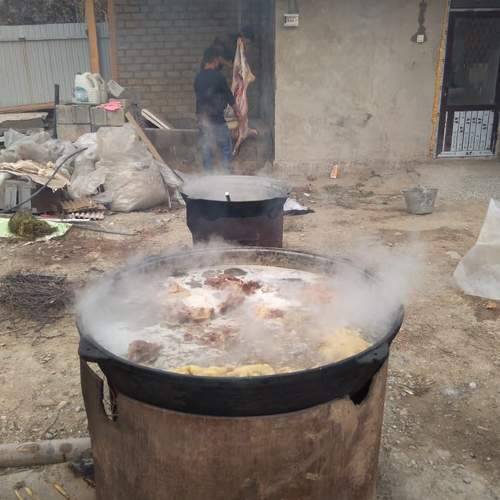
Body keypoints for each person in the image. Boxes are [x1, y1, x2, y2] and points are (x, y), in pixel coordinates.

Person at [194, 47, 241, 173]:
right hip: (217, 119)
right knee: (225, 147)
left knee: (206, 147)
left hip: (202, 119)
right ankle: (225, 174)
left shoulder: (198, 78)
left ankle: (208, 175)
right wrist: (237, 111)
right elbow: (229, 96)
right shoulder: (219, 77)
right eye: (218, 61)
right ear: (214, 60)